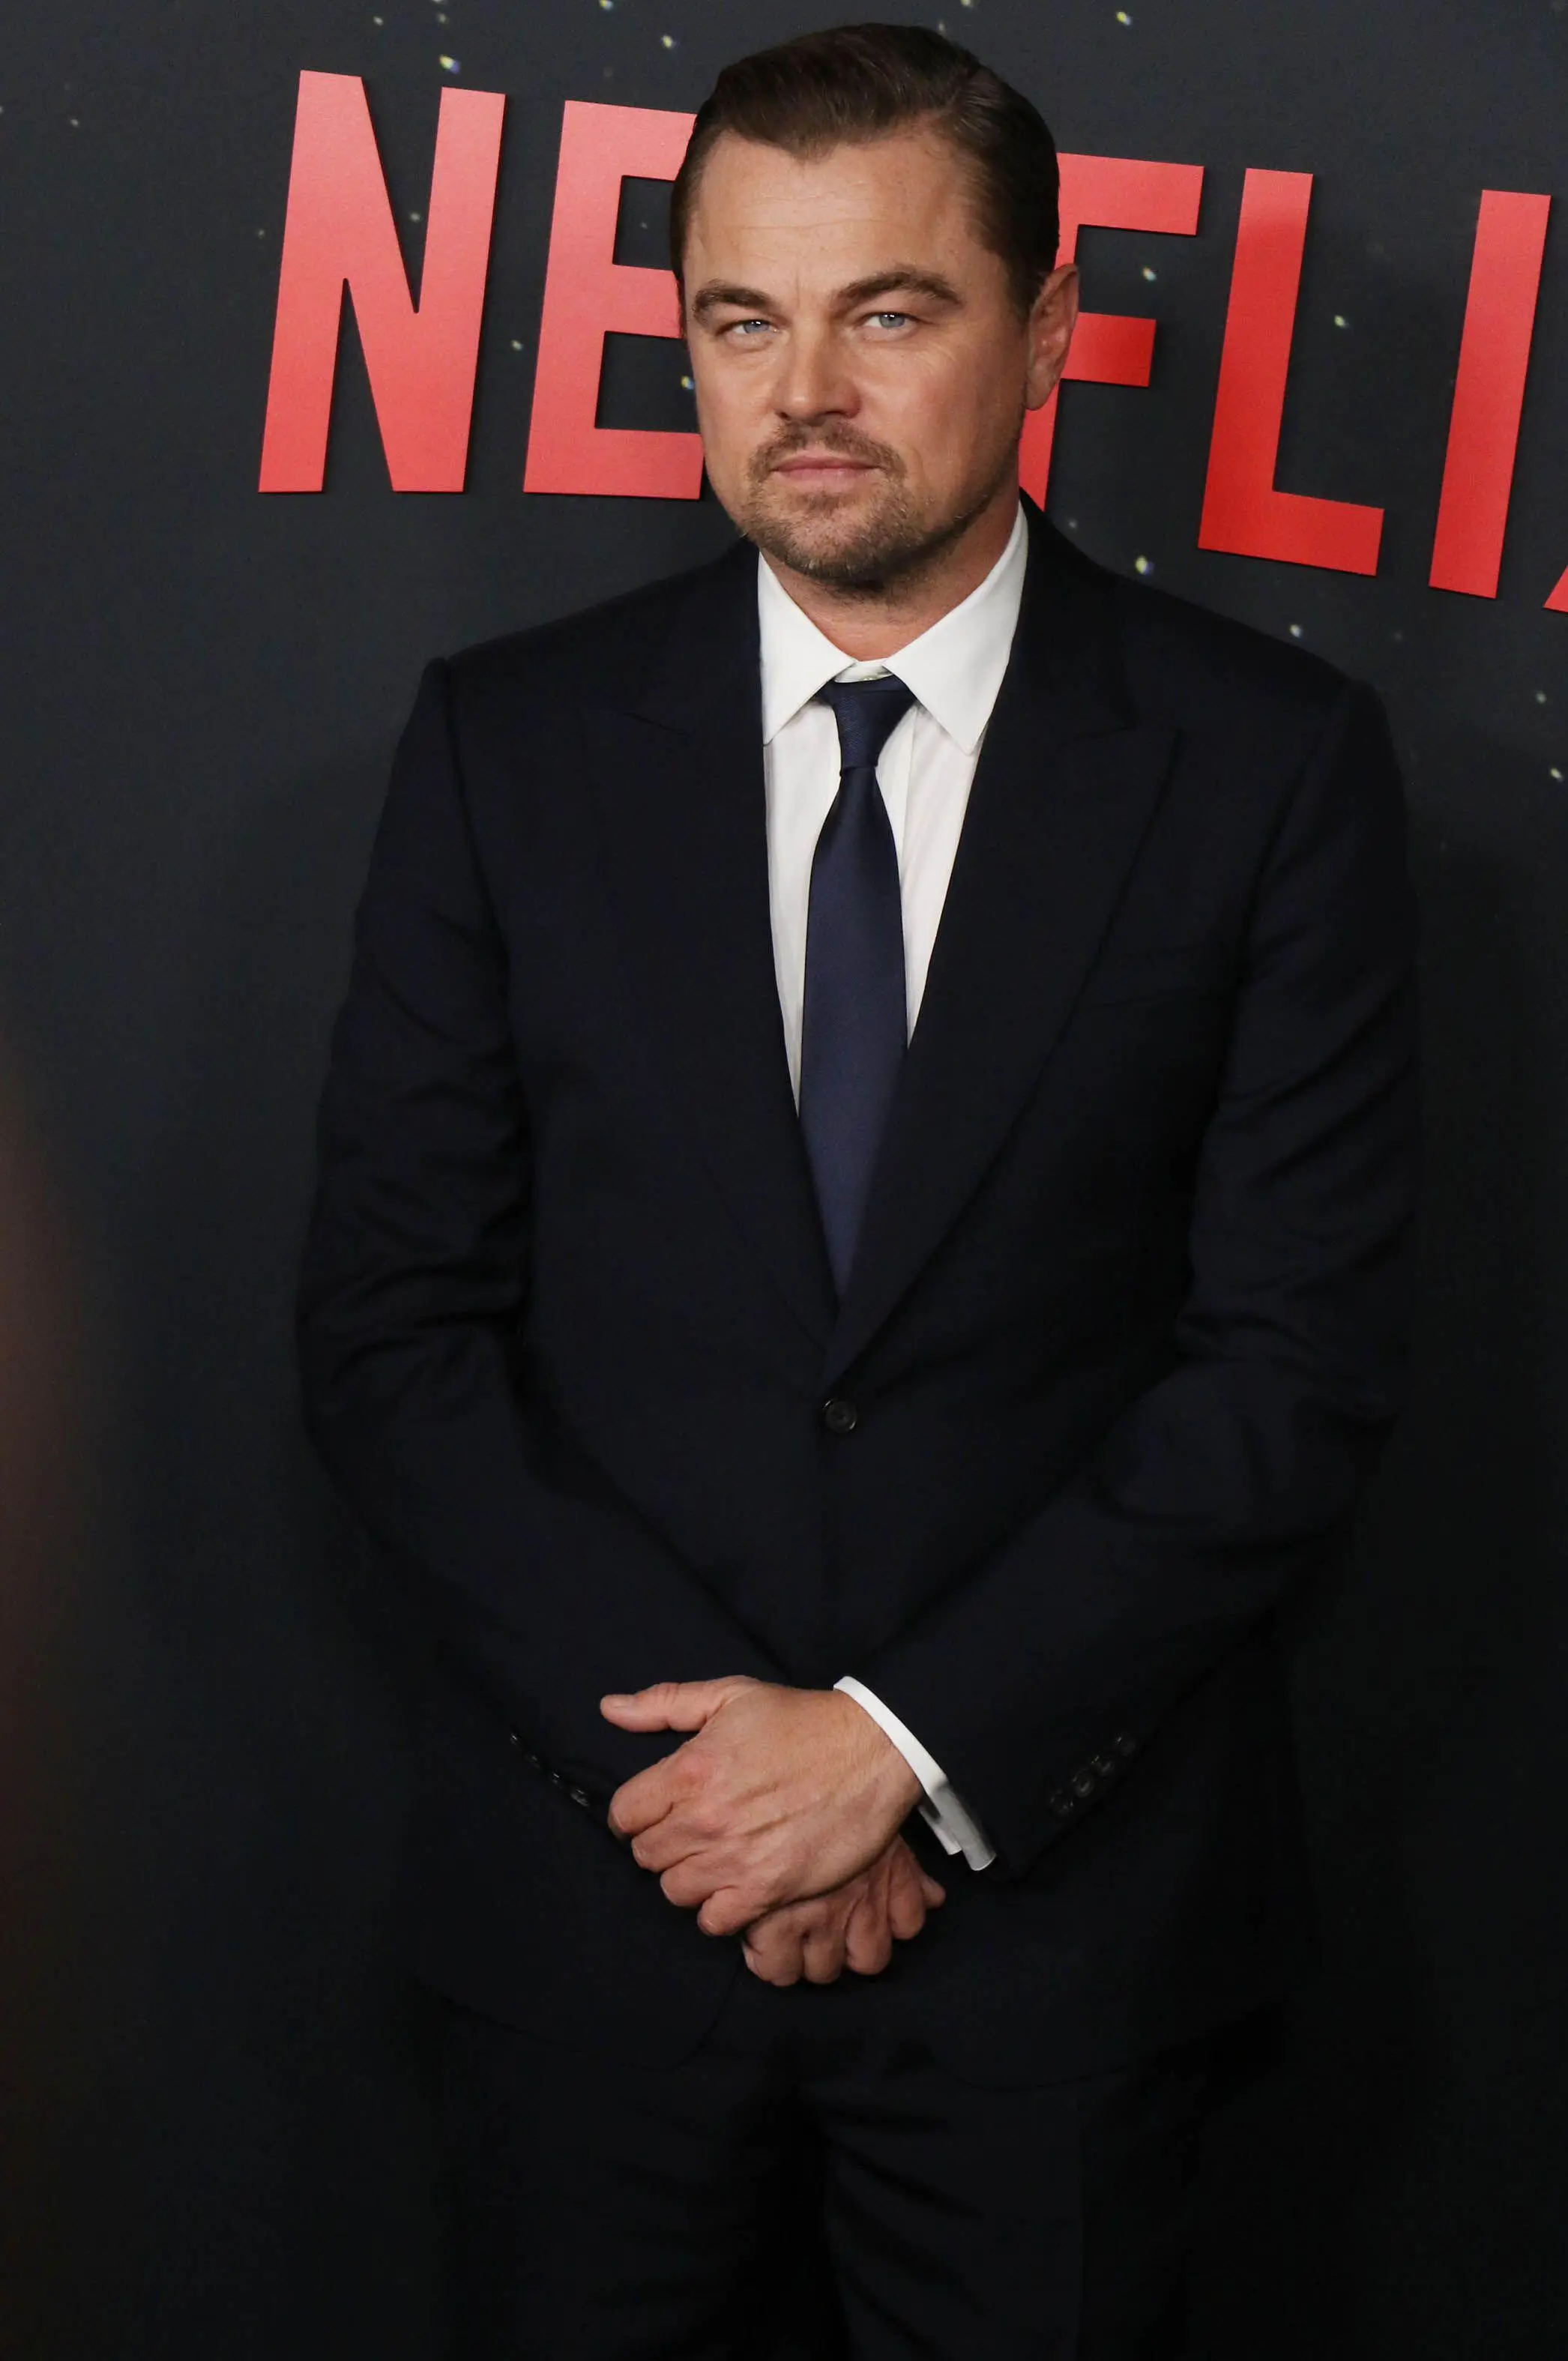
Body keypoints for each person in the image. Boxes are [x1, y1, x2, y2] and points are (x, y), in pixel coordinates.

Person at [295, 22, 1420, 2357]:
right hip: (601, 1918)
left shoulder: (1267, 766)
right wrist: (719, 1788)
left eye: (885, 311)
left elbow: (1288, 1367)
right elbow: (395, 1333)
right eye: (741, 319)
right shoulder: (505, 746)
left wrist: (895, 1750)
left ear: (1048, 328)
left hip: (1061, 1945)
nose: (802, 391)